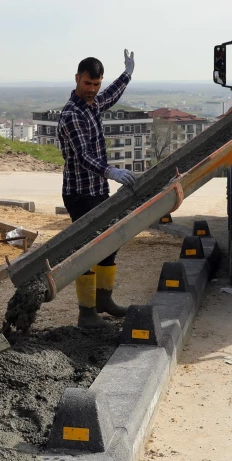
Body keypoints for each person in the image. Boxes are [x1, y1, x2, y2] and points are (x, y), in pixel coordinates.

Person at [57, 50, 138, 327]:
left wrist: (127, 74)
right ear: (77, 79)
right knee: (88, 251)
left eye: (96, 84)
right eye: (87, 84)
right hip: (80, 194)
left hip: (98, 190)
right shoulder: (72, 114)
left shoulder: (92, 105)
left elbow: (110, 95)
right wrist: (111, 171)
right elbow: (82, 156)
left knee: (109, 246)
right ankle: (87, 313)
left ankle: (104, 300)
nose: (92, 90)